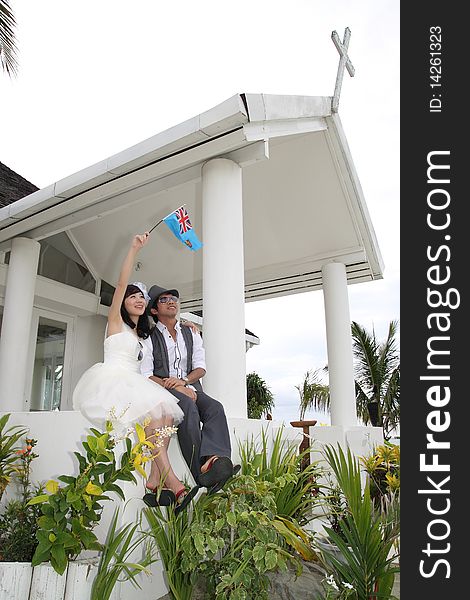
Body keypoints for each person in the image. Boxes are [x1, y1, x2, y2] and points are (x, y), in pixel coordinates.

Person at [72, 233, 198, 513]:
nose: (139, 300)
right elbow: (119, 283)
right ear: (123, 302)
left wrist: (189, 325)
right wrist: (133, 249)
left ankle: (154, 479)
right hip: (115, 380)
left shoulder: (143, 334)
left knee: (165, 414)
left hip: (136, 381)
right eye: (133, 297)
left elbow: (168, 331)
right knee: (158, 414)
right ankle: (175, 484)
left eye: (142, 297)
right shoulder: (115, 321)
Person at [140, 284, 239, 494]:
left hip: (190, 386)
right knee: (188, 408)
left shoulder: (191, 332)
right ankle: (200, 474)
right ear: (154, 310)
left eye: (173, 298)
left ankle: (215, 460)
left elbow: (201, 368)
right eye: (164, 300)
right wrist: (172, 385)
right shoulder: (149, 338)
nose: (171, 302)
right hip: (162, 390)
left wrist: (184, 382)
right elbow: (147, 374)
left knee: (214, 408)